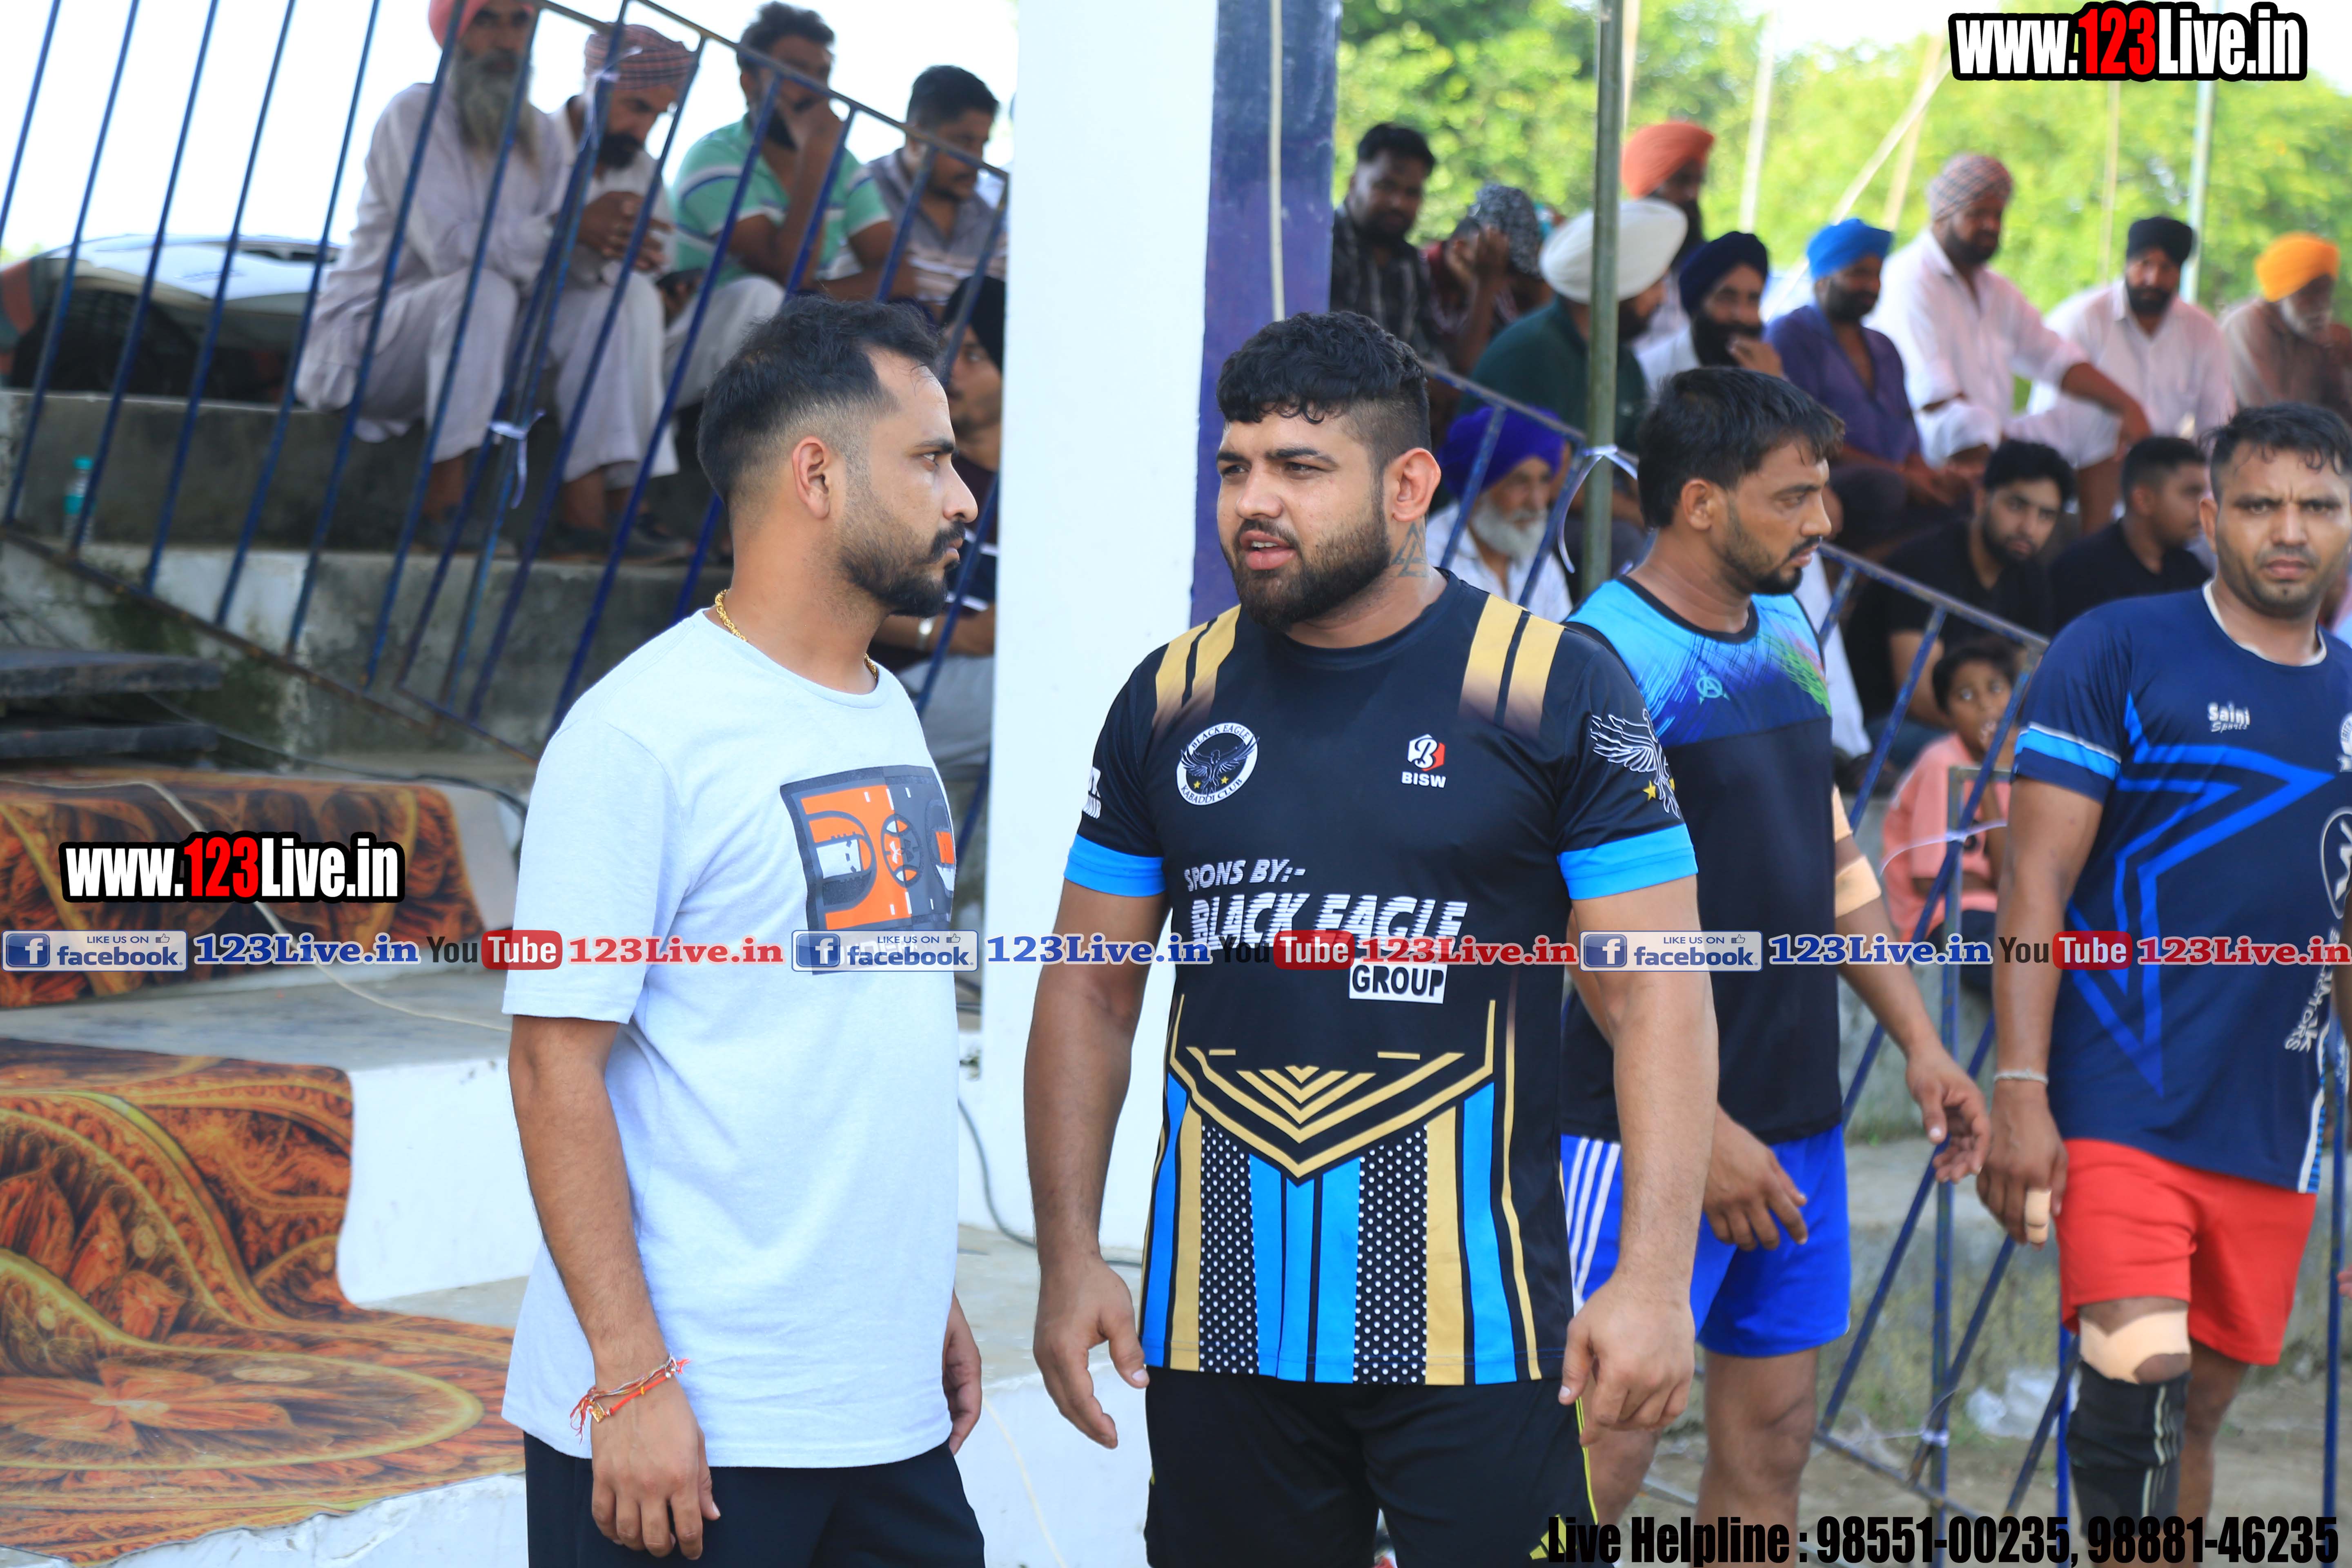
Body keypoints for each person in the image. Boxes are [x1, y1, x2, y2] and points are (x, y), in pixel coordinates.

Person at [1026, 311, 1718, 1565]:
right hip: (1220, 1329)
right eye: (1236, 466)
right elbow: (1088, 993)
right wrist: (1069, 1256)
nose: (1254, 501)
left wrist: (1655, 1278)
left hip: (1481, 1330)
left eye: (1300, 468)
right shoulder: (1170, 695)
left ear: (1408, 488)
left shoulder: (1551, 682)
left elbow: (1657, 993)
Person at [502, 296, 987, 1565]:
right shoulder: (640, 735)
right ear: (817, 475)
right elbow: (554, 1065)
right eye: (931, 459)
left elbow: (850, 1028)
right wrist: (628, 1375)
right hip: (691, 1427)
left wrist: (915, 1292)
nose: (964, 498)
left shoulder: (882, 708)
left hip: (878, 1411)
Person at [1562, 367, 1987, 1529]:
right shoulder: (1599, 660)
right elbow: (1584, 939)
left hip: (1796, 1118)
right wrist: (1700, 1133)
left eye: (1821, 491)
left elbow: (1830, 845)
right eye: (1793, 497)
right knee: (1597, 1447)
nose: (1824, 519)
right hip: (1637, 1130)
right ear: (1700, 503)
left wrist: (1920, 1042)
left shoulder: (1792, 624)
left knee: (1775, 1443)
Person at [1982, 401, 2352, 1524]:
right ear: (2208, 517)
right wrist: (2019, 1086)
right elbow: (2034, 878)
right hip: (2116, 1097)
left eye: (2316, 506)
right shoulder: (2115, 647)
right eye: (2257, 504)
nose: (2287, 530)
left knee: (2194, 1414)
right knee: (2133, 1393)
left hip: (2271, 1114)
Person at [296, 0, 685, 559]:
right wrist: (570, 226)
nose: (506, 38)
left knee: (609, 302)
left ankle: (584, 520)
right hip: (373, 346)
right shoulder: (414, 113)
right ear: (452, 33)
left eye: (519, 21)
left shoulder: (539, 134)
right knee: (484, 289)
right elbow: (450, 250)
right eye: (487, 19)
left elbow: (552, 261)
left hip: (485, 342)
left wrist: (610, 246)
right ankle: (444, 506)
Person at [664, 4, 887, 408]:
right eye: (795, 72)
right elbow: (786, 274)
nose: (814, 89)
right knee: (761, 295)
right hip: (689, 350)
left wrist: (811, 300)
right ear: (749, 82)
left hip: (782, 349)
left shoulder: (845, 165)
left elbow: (898, 273)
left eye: (822, 74)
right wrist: (815, 158)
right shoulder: (715, 156)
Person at [1871, 154, 2150, 471]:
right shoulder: (1910, 280)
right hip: (1932, 443)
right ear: (1942, 216)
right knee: (1968, 423)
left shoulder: (1997, 289)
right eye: (1977, 214)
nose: (1991, 225)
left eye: (1997, 215)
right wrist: (2008, 452)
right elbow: (1935, 397)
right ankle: (1997, 490)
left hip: (1996, 437)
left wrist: (2129, 406)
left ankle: (2101, 511)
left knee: (2101, 414)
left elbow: (2056, 359)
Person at [1471, 198, 1685, 562]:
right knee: (1626, 544)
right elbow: (1545, 478)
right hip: (1508, 519)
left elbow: (1638, 461)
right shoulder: (1534, 352)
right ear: (1620, 286)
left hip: (1570, 514)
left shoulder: (1623, 363)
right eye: (1655, 284)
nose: (1662, 297)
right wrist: (1640, 516)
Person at [1771, 218, 1971, 559]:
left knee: (1968, 499)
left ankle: (1884, 574)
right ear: (1822, 280)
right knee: (1884, 488)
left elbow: (1908, 435)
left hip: (1895, 478)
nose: (1871, 285)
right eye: (1858, 274)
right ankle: (1849, 575)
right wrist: (1902, 476)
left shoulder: (1885, 348)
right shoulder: (1791, 335)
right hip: (1824, 476)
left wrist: (1929, 476)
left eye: (1876, 275)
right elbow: (1805, 435)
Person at [1846, 439, 2067, 740]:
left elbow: (2031, 686)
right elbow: (1918, 697)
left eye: (2046, 516)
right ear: (1982, 499)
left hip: (1975, 730)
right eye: (2016, 506)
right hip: (1890, 724)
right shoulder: (1927, 561)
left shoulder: (2032, 577)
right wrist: (1994, 742)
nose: (2029, 528)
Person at [2029, 217, 2234, 530]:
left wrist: (2199, 493)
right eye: (2144, 264)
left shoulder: (2203, 333)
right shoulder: (2081, 321)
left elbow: (2216, 430)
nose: (2153, 278)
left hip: (2161, 502)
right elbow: (2050, 426)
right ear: (2126, 262)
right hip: (2073, 496)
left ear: (2180, 272)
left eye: (2167, 268)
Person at [1879, 639, 2016, 990]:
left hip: (1998, 912)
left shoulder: (2017, 764)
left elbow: (2007, 876)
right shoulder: (1943, 762)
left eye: (1996, 688)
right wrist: (1984, 778)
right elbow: (1930, 880)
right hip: (1942, 919)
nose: (1985, 704)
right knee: (2027, 967)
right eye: (1965, 696)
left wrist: (1991, 778)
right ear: (1946, 714)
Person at [831, 66, 1008, 309]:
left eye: (982, 144)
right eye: (963, 142)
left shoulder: (991, 225)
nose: (977, 158)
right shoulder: (861, 192)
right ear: (915, 137)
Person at [1428, 403, 1572, 620]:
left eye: (1544, 480)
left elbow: (1564, 637)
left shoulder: (1540, 560)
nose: (1537, 503)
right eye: (1520, 482)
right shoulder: (1431, 559)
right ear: (1478, 491)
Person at [2049, 435, 2210, 630]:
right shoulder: (2082, 571)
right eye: (2191, 493)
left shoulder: (2191, 573)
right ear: (2143, 500)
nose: (2203, 506)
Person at [1329, 123, 1446, 364]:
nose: (1398, 204)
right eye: (1386, 186)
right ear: (1353, 183)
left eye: (1412, 193)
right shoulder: (1321, 247)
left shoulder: (1412, 263)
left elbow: (1427, 358)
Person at [2222, 234, 2352, 424]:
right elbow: (2271, 418)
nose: (2322, 303)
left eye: (2327, 291)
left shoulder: (2317, 335)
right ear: (2281, 293)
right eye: (2310, 292)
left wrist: (2347, 364)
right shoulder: (2247, 323)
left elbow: (2342, 416)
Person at [1425, 183, 1552, 376]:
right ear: (1460, 248)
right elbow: (1468, 367)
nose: (1507, 284)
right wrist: (1484, 285)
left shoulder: (1497, 287)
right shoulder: (1419, 275)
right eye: (1506, 270)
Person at [1620, 120, 1716, 360]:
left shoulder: (1701, 259)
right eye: (1682, 181)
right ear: (1649, 186)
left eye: (1698, 182)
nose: (1693, 194)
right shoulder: (1620, 255)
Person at [1636, 230, 1780, 386]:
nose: (1741, 315)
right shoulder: (1648, 374)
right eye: (1727, 299)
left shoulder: (1768, 371)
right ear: (1698, 303)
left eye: (1753, 300)